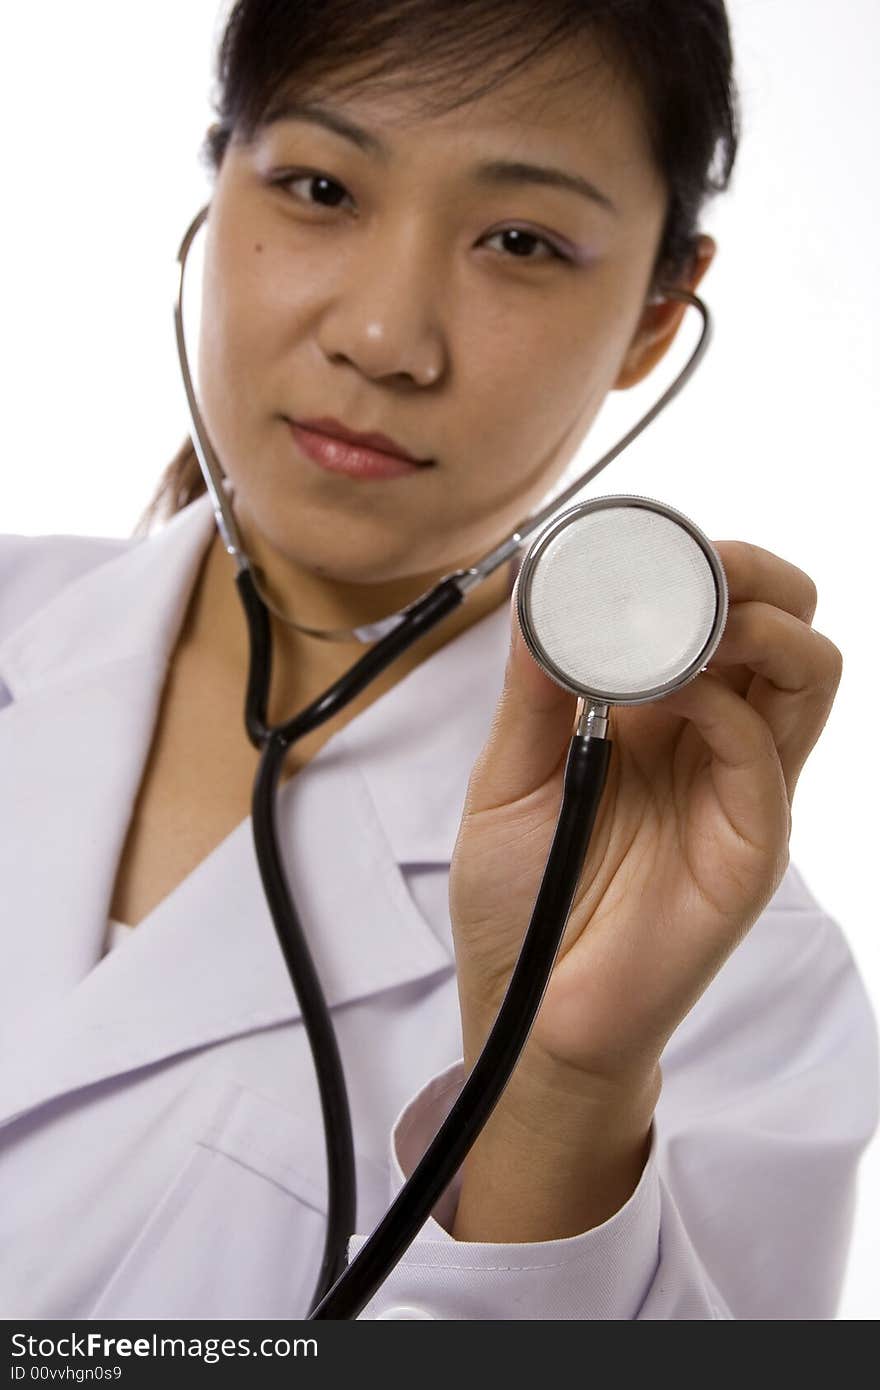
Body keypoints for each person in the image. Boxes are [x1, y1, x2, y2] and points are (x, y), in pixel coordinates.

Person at [0, 0, 876, 1321]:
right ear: (218, 182)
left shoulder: (741, 980)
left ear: (654, 315)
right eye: (319, 187)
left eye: (519, 240)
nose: (383, 340)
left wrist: (560, 1108)